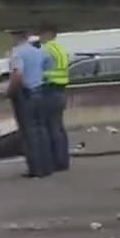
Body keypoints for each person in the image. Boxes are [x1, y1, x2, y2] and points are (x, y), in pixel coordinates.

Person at [8, 30, 53, 178]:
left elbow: (18, 74)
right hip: (40, 92)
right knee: (42, 129)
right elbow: (48, 67)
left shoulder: (16, 53)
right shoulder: (38, 51)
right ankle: (47, 166)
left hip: (26, 95)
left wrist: (10, 91)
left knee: (29, 133)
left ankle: (36, 168)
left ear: (16, 37)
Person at [38, 23, 71, 172]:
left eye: (41, 34)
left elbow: (39, 71)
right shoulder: (61, 49)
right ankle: (64, 160)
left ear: (46, 34)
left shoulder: (45, 49)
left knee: (50, 128)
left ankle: (55, 161)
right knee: (59, 127)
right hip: (62, 91)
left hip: (49, 90)